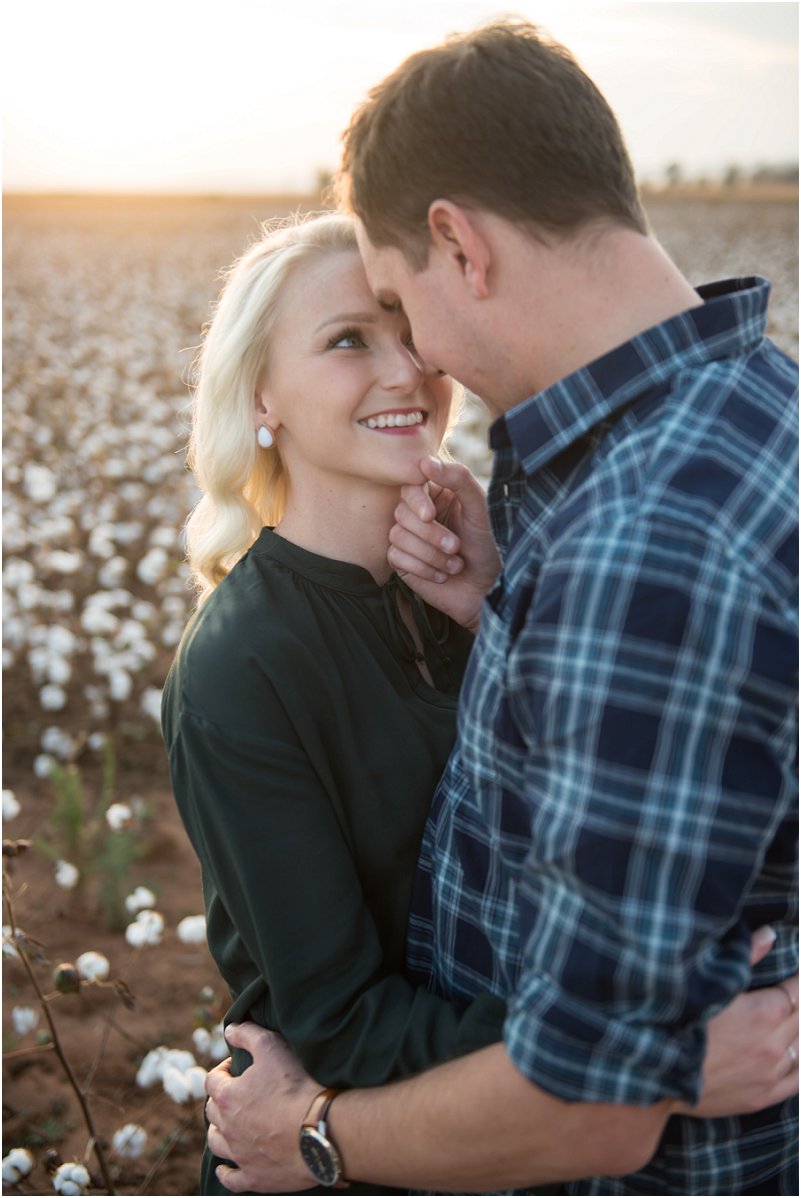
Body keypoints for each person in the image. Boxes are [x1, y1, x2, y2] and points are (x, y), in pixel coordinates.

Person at [203, 18, 799, 1197]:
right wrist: (501, 605)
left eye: (397, 301)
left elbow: (590, 1108)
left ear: (458, 247)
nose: (415, 355)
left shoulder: (644, 542)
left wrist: (310, 1137)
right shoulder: (755, 411)